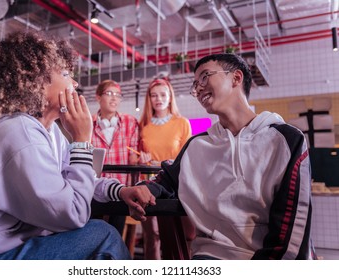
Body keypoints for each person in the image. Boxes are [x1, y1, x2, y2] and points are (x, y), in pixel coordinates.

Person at [0, 32, 154, 260]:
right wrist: (82, 142)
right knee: (103, 236)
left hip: (0, 247)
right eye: (66, 74)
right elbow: (72, 213)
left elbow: (73, 182)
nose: (75, 83)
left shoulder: (50, 131)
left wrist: (119, 190)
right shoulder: (19, 133)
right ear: (36, 83)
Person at [138, 53, 315, 260]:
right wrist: (144, 188)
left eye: (205, 77)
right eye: (196, 85)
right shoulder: (197, 145)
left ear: (236, 78)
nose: (199, 88)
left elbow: (292, 231)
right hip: (208, 258)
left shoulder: (286, 140)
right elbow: (167, 180)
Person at [138, 77, 195, 259]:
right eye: (154, 95)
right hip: (149, 184)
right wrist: (142, 158)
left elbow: (189, 156)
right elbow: (136, 154)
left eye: (163, 94)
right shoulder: (143, 126)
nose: (159, 99)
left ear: (170, 97)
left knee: (183, 235)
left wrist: (173, 161)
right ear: (149, 99)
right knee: (152, 235)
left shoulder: (182, 123)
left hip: (176, 185)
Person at [91, 79, 140, 234]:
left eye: (118, 95)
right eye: (109, 93)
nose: (114, 98)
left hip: (121, 191)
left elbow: (133, 157)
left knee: (116, 234)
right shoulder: (87, 123)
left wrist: (140, 159)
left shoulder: (130, 122)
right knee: (91, 234)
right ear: (98, 97)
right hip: (93, 191)